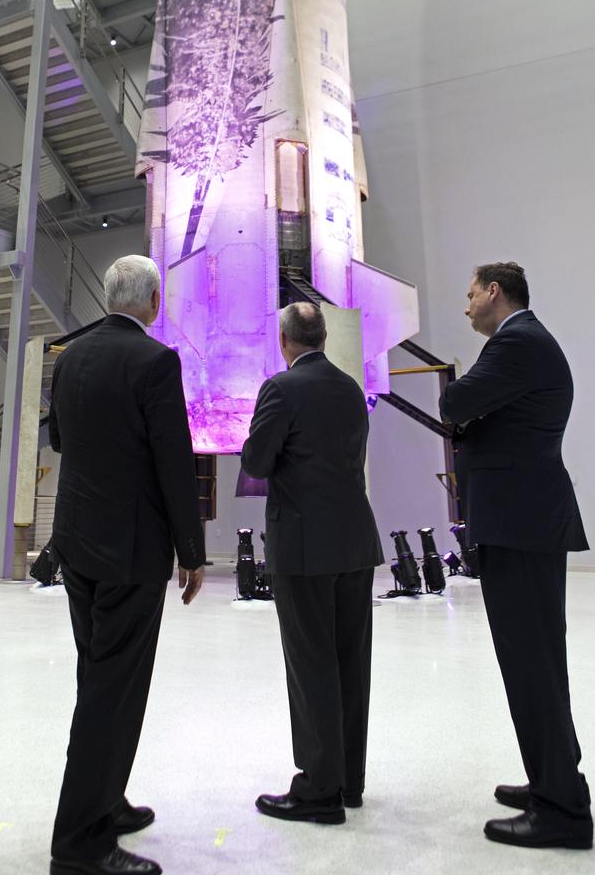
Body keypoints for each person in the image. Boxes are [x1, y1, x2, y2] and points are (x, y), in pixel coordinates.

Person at [48, 254, 206, 875]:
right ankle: (80, 842)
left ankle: (106, 799)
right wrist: (192, 552)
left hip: (77, 544)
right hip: (131, 550)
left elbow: (59, 438)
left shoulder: (71, 357)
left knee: (99, 680)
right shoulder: (155, 361)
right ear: (153, 302)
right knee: (112, 693)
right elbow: (174, 461)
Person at [440, 262, 592, 850]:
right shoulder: (526, 343)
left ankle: (562, 812)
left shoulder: (517, 344)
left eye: (471, 292)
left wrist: (464, 406)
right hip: (524, 521)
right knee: (537, 664)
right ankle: (555, 780)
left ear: (494, 292)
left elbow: (455, 402)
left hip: (522, 524)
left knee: (532, 665)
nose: (466, 304)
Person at [241, 301, 383, 825]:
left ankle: (318, 789)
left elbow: (257, 461)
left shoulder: (280, 389)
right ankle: (349, 781)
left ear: (284, 342)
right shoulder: (350, 388)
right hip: (353, 543)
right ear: (322, 336)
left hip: (302, 547)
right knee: (350, 663)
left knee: (311, 665)